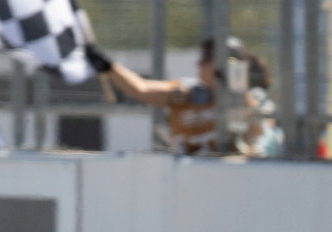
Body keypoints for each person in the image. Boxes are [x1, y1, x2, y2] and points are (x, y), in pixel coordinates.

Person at [88, 36, 281, 156]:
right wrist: (108, 66)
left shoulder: (249, 100)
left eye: (207, 58)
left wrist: (233, 84)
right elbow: (142, 90)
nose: (199, 63)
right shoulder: (186, 93)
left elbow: (249, 144)